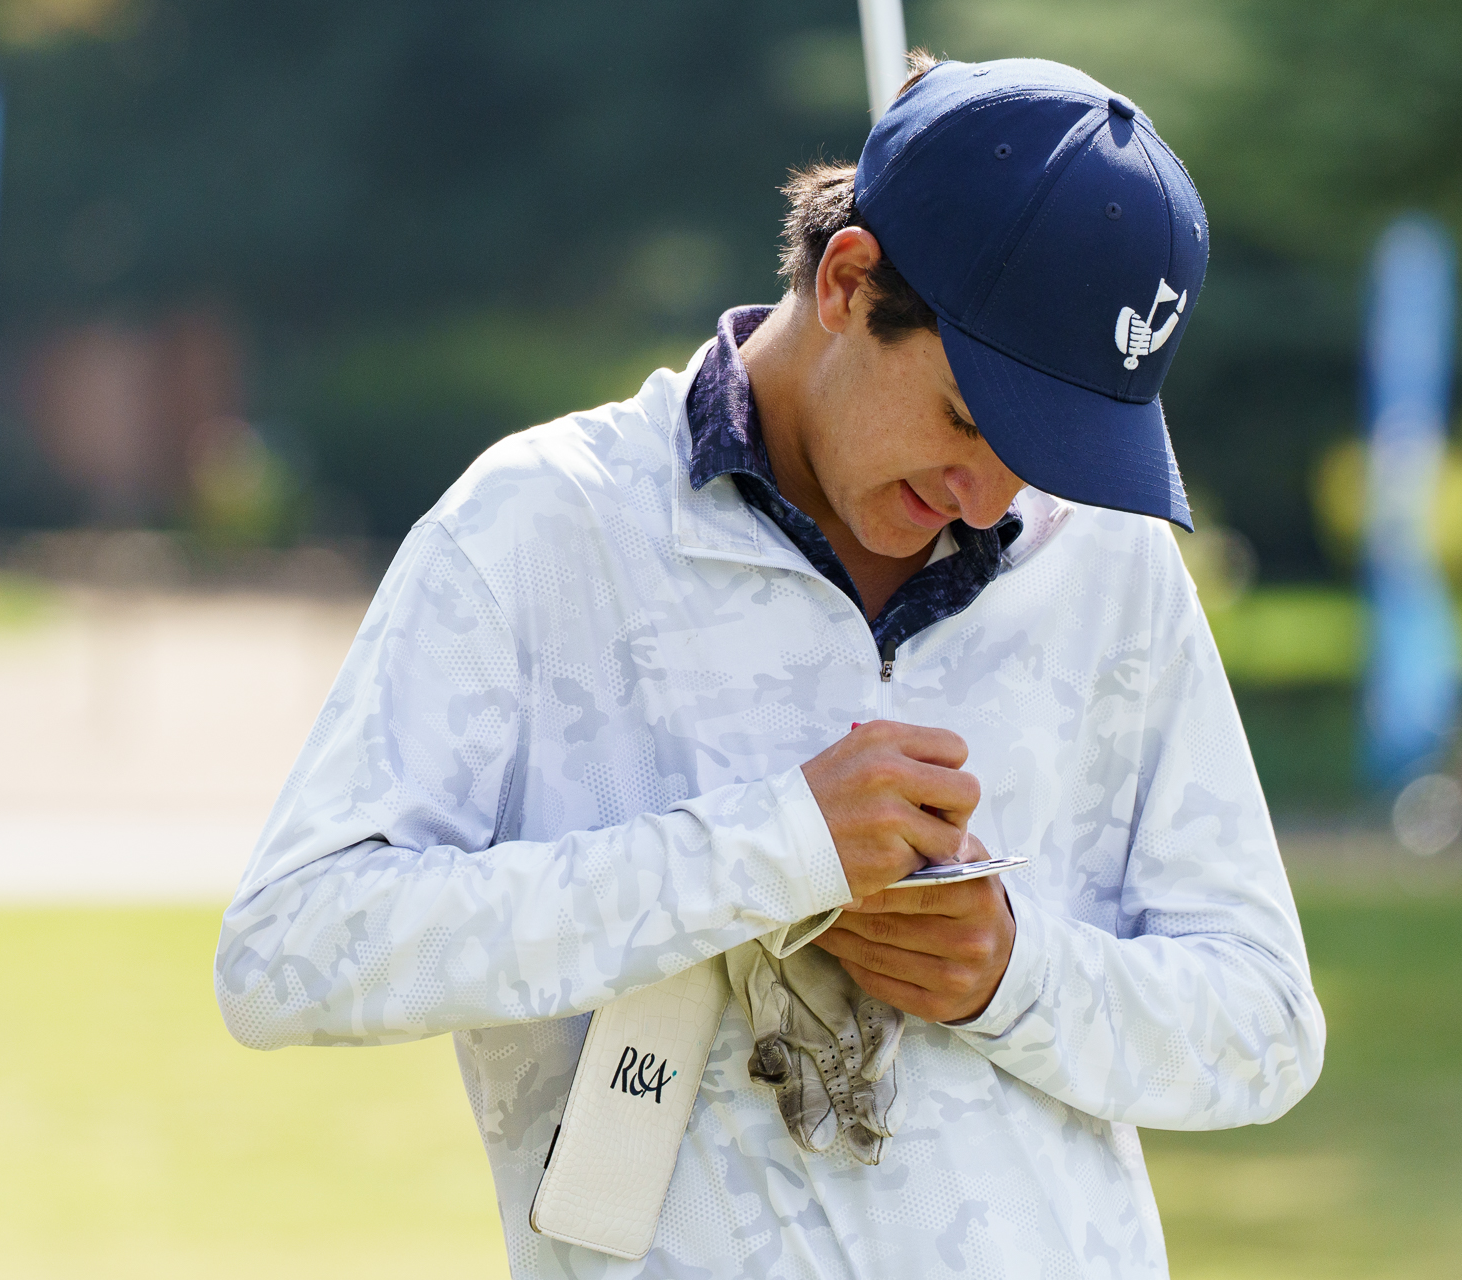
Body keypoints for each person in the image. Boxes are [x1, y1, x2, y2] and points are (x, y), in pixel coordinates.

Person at [215, 53, 1324, 1279]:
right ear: (848, 282)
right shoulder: (541, 526)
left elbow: (1268, 1027)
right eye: (971, 419)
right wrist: (766, 849)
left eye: (1053, 448)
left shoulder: (1107, 556)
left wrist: (1013, 975)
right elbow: (289, 953)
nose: (990, 496)